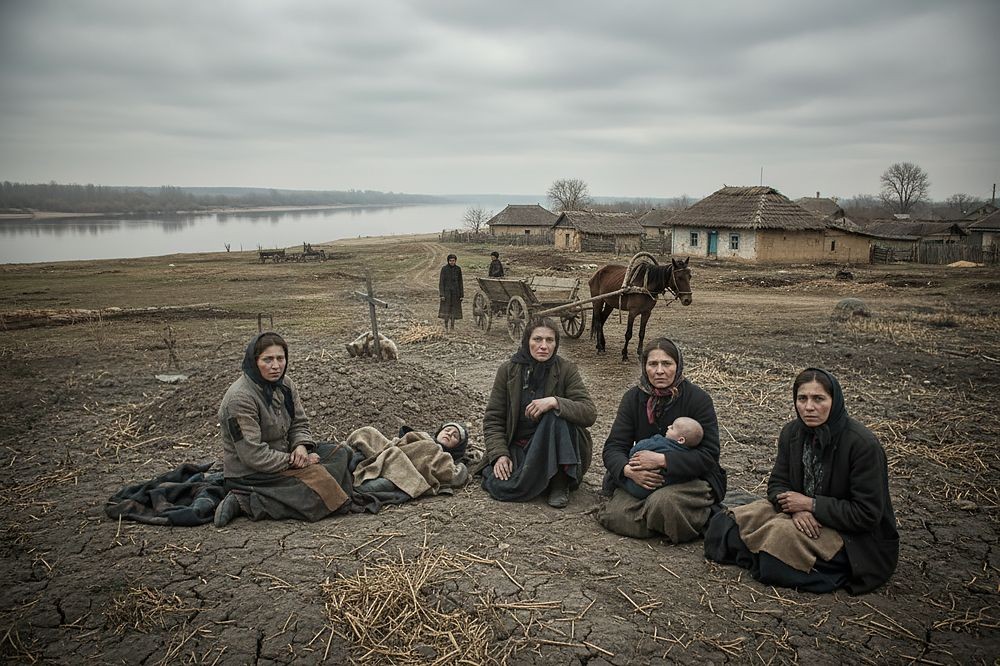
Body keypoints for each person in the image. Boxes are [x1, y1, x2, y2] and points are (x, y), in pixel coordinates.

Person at [704, 368, 899, 594]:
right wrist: (796, 510)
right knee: (723, 524)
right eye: (802, 398)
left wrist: (811, 505)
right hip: (796, 512)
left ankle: (767, 556)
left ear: (834, 401)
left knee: (778, 541)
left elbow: (867, 514)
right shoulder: (792, 432)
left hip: (852, 535)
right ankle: (767, 554)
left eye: (819, 399)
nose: (809, 407)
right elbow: (777, 483)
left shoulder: (862, 445)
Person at [214, 332, 359, 527]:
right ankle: (246, 501)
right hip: (252, 474)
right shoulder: (240, 399)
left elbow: (299, 423)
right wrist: (297, 462)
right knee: (323, 488)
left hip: (287, 457)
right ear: (254, 361)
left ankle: (320, 487)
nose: (276, 366)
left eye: (280, 358)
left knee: (341, 453)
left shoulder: (285, 385)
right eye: (268, 360)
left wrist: (300, 446)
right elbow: (252, 455)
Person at [598, 338, 726, 543]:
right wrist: (628, 471)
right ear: (644, 367)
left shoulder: (698, 399)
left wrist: (662, 461)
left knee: (664, 502)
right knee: (613, 516)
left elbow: (709, 456)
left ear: (678, 365)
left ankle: (660, 516)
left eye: (666, 364)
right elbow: (614, 447)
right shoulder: (633, 398)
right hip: (643, 478)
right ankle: (668, 522)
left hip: (688, 478)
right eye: (652, 364)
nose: (659, 371)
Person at [480, 317, 596, 508]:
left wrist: (555, 401)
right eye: (537, 339)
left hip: (560, 451)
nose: (543, 346)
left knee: (555, 416)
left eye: (549, 340)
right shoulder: (508, 371)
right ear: (527, 341)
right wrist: (500, 454)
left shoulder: (566, 370)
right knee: (501, 486)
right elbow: (493, 418)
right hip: (524, 446)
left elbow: (589, 413)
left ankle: (560, 482)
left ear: (556, 344)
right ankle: (538, 477)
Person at [622, 416, 704, 500]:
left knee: (617, 477)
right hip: (660, 487)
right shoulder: (687, 456)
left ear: (681, 440)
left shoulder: (659, 443)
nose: (668, 427)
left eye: (672, 428)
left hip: (640, 487)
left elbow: (636, 450)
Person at [439, 253, 464, 331]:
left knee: (454, 310)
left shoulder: (458, 269)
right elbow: (441, 282)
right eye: (450, 261)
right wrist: (442, 294)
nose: (452, 262)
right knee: (446, 310)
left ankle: (452, 326)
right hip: (446, 293)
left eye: (453, 261)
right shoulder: (444, 269)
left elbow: (460, 282)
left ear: (455, 261)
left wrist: (461, 294)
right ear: (448, 261)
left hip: (455, 293)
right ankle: (446, 326)